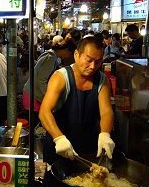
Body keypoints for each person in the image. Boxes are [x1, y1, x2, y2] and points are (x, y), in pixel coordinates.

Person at [39, 36, 115, 167]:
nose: (93, 66)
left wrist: (105, 134)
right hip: (60, 147)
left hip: (88, 148)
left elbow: (106, 111)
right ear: (76, 55)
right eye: (89, 60)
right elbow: (44, 112)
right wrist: (59, 139)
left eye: (98, 62)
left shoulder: (102, 80)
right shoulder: (61, 77)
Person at [22, 40, 77, 112]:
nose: (68, 57)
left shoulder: (51, 55)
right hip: (34, 96)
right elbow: (41, 80)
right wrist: (50, 96)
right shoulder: (50, 58)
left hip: (32, 93)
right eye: (70, 54)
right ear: (66, 50)